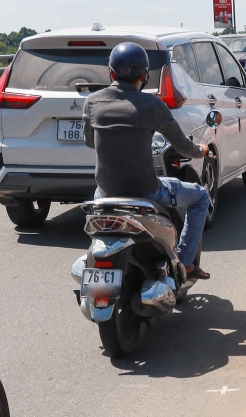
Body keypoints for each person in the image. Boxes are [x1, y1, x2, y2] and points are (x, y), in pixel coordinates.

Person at [81, 42, 212, 281]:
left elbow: (90, 142)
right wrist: (200, 151)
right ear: (145, 75)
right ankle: (184, 262)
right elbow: (182, 145)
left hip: (106, 193)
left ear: (111, 73)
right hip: (147, 192)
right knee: (200, 196)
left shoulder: (93, 102)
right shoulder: (152, 105)